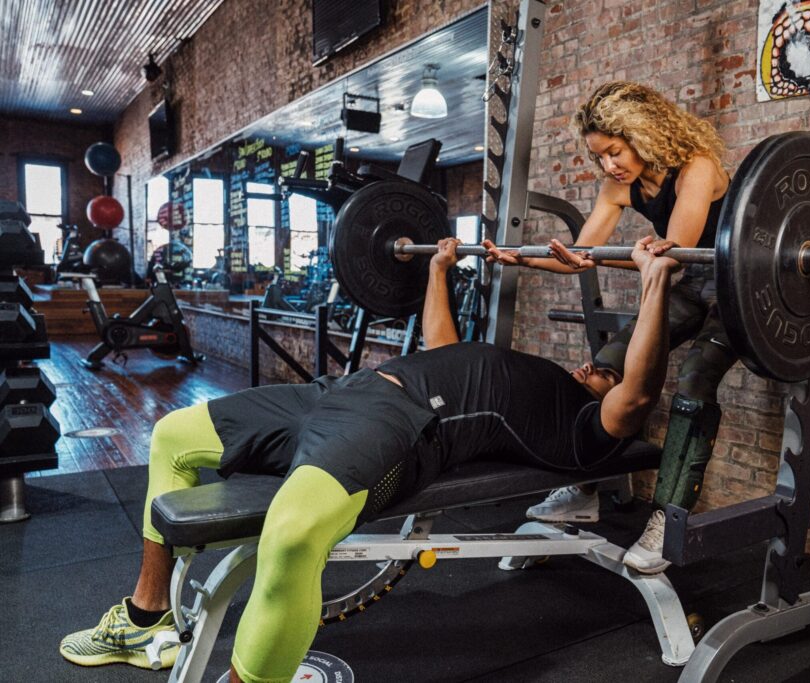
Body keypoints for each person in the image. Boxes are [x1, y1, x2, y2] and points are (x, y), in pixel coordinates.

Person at [59, 236, 680, 682]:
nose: (586, 366)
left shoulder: (582, 429)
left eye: (601, 371)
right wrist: (439, 267)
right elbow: (444, 346)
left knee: (295, 532)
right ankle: (146, 619)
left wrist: (653, 284)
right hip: (341, 390)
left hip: (397, 422)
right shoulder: (534, 376)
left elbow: (641, 393)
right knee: (174, 434)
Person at [484, 81, 736, 574]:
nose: (609, 166)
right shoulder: (617, 187)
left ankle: (669, 518)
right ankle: (582, 489)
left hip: (733, 286)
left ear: (644, 135)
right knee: (604, 370)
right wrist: (525, 259)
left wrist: (605, 258)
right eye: (601, 156)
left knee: (696, 376)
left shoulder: (697, 169)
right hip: (686, 284)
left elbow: (673, 253)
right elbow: (583, 254)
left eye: (615, 152)